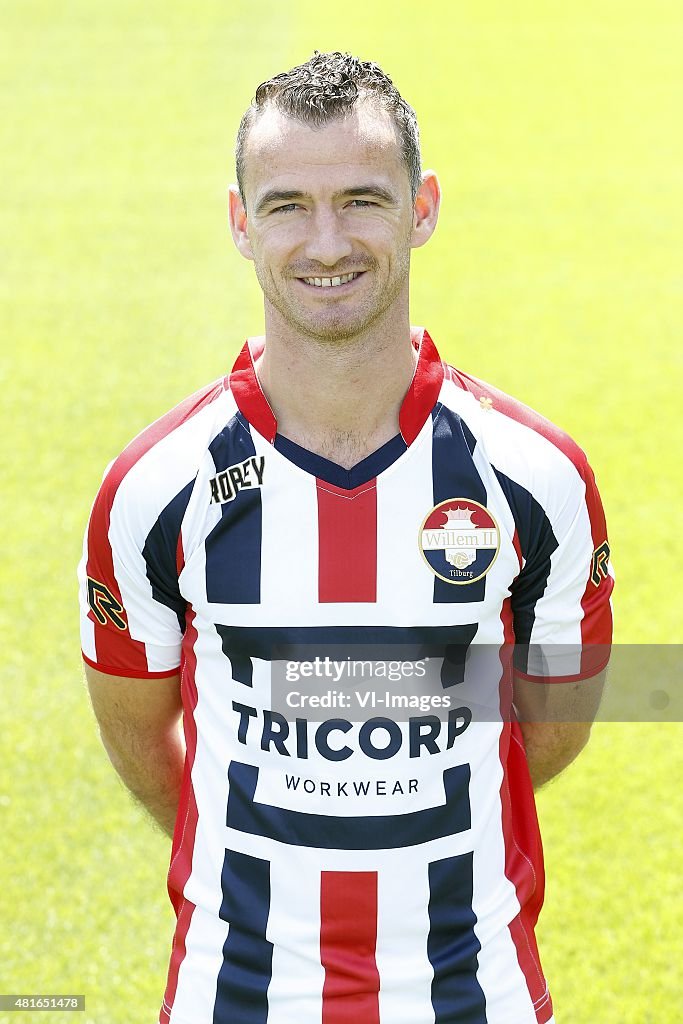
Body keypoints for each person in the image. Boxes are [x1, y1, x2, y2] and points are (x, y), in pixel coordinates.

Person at [79, 51, 613, 1024]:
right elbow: (140, 732)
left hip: (472, 994)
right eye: (286, 205)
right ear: (241, 224)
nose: (326, 242)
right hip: (233, 998)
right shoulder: (153, 488)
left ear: (422, 206)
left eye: (361, 198)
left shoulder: (536, 477)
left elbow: (551, 725)